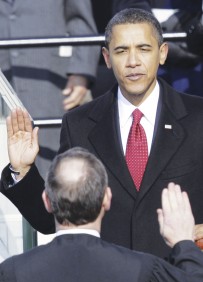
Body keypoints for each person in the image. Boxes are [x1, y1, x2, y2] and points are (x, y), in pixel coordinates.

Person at [1, 8, 203, 258]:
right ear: (106, 58)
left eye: (143, 48)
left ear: (162, 53)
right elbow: (53, 219)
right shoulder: (79, 124)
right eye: (121, 51)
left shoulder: (198, 118)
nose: (133, 61)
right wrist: (21, 171)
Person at [1, 147, 203, 282]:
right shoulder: (145, 272)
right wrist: (184, 243)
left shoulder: (11, 275)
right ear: (106, 198)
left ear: (46, 200)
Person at [0, 0, 100, 178]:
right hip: (4, 75)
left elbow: (80, 17)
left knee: (52, 162)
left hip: (49, 77)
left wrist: (81, 71)